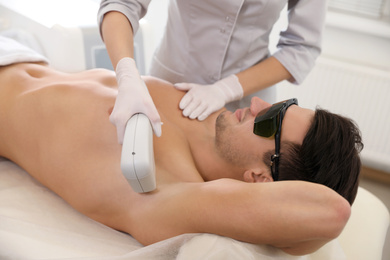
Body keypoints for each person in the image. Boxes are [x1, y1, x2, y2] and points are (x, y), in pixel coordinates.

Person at [0, 51, 362, 255]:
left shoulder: (167, 192)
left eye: (271, 119)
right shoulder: (204, 113)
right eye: (283, 104)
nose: (256, 103)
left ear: (262, 177)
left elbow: (331, 212)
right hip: (19, 53)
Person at [97, 0, 328, 144]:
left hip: (248, 102)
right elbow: (122, 3)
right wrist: (127, 74)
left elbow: (302, 46)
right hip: (173, 84)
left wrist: (228, 88)